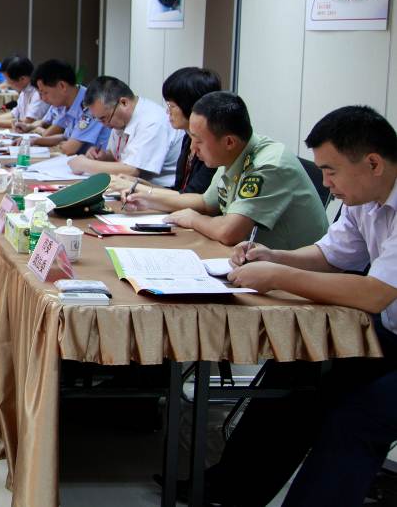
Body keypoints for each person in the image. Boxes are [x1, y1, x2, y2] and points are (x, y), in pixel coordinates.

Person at [191, 106, 397, 507]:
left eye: (331, 171)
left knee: (357, 418)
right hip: (387, 332)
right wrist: (274, 257)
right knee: (298, 367)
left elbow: (375, 293)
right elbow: (331, 255)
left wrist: (278, 276)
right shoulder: (363, 198)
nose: (326, 184)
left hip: (385, 326)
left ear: (373, 163)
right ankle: (230, 492)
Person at [124, 91, 328, 249]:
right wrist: (148, 199)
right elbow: (206, 203)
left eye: (198, 141)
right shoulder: (234, 153)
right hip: (257, 262)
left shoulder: (268, 165)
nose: (193, 149)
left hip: (296, 276)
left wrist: (193, 219)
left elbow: (229, 232)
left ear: (229, 141)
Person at [110, 66, 221, 197]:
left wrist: (140, 188)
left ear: (191, 106)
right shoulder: (187, 137)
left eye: (171, 106)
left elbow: (193, 197)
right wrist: (138, 184)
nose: (168, 112)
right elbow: (179, 192)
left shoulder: (212, 146)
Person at [67, 76, 183, 187]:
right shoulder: (119, 118)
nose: (104, 125)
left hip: (162, 190)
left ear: (124, 103)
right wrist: (103, 156)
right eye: (98, 120)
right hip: (135, 186)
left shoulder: (152, 121)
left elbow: (133, 170)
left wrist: (86, 165)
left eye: (104, 118)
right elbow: (117, 156)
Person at [28, 59, 111, 155]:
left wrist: (64, 144)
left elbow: (69, 149)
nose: (43, 98)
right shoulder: (67, 103)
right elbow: (65, 137)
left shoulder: (90, 104)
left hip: (98, 161)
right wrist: (34, 141)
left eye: (45, 92)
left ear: (62, 86)